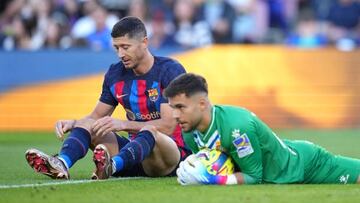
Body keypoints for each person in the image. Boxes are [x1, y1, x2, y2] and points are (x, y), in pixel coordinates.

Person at [25, 16, 191, 180]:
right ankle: (62, 163)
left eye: (126, 47)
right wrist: (75, 123)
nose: (120, 54)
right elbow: (96, 116)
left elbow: (168, 125)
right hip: (133, 156)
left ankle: (112, 165)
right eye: (116, 48)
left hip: (168, 158)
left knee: (150, 131)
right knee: (89, 124)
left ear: (144, 42)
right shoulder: (115, 74)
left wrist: (123, 125)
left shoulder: (170, 70)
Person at [163, 73, 360, 185]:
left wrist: (211, 180)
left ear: (202, 104)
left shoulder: (236, 128)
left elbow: (253, 177)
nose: (175, 115)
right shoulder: (189, 132)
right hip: (279, 170)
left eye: (180, 107)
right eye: (172, 108)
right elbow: (220, 164)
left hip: (303, 165)